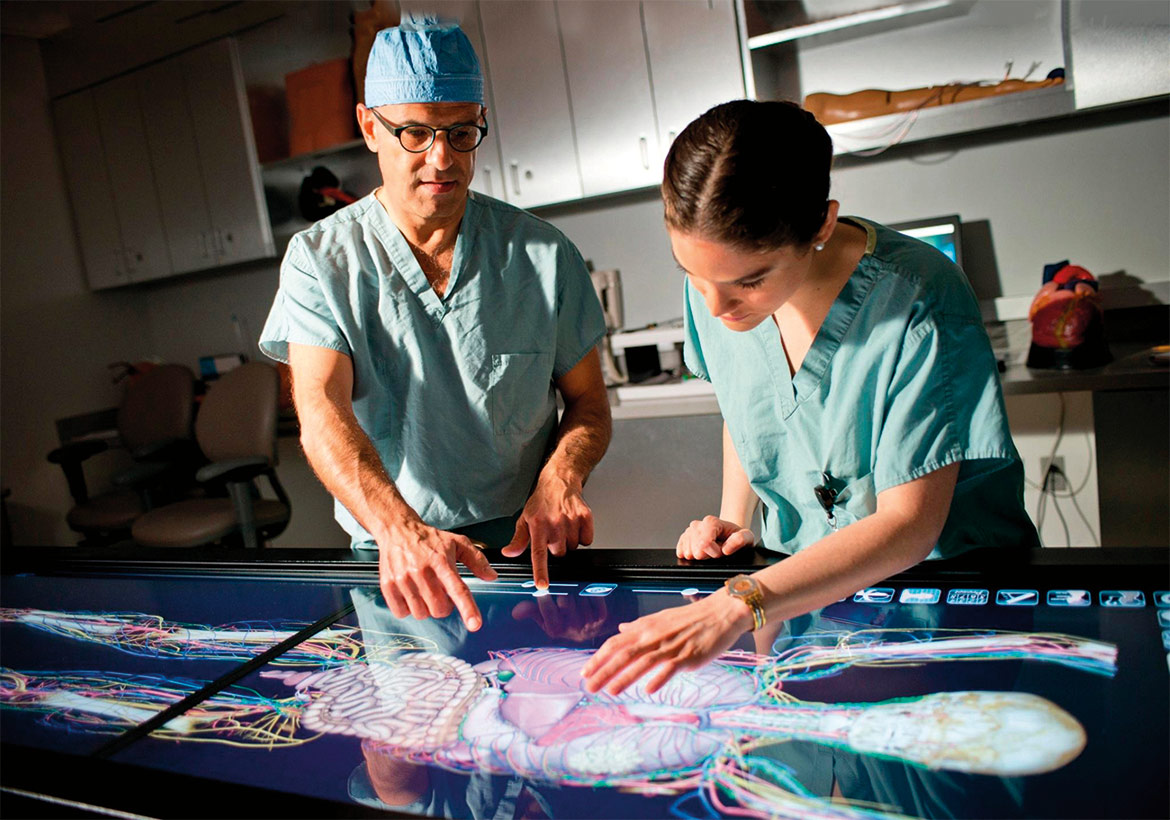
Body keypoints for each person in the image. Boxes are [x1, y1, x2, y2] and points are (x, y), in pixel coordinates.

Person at [582, 99, 1039, 697]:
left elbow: (908, 526)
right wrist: (731, 520)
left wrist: (737, 605)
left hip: (939, 602)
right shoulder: (716, 287)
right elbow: (746, 403)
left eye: (751, 280)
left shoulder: (918, 300)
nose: (716, 308)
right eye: (694, 276)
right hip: (801, 596)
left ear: (822, 225)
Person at [259, 17, 611, 631]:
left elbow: (589, 404)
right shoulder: (322, 262)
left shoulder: (541, 256)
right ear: (370, 128)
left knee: (546, 713)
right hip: (398, 556)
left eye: (460, 131)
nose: (441, 158)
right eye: (415, 133)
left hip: (528, 555)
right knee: (418, 720)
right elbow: (319, 408)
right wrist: (399, 531)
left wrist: (561, 476)